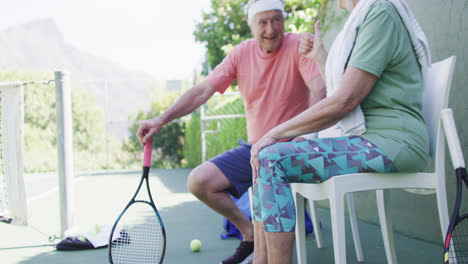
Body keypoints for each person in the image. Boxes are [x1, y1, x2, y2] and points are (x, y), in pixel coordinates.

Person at [136, 0, 326, 263]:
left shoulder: (298, 46)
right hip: (255, 150)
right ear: (251, 27)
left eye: (276, 20)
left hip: (290, 149)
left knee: (265, 172)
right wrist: (161, 119)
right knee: (199, 181)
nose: (271, 28)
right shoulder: (240, 53)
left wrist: (304, 137)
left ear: (284, 20)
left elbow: (320, 90)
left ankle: (262, 252)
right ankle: (249, 233)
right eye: (263, 22)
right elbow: (202, 91)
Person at [249, 0, 431, 263]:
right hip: (371, 139)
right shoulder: (365, 16)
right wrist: (320, 56)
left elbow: (345, 101)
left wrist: (275, 133)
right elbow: (345, 89)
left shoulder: (380, 12)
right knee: (265, 157)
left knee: (271, 157)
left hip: (394, 141)